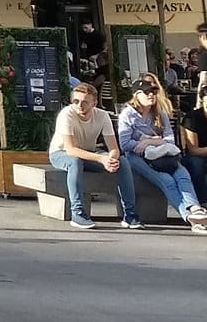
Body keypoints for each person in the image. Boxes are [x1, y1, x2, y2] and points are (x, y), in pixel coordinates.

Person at [117, 76, 207, 230]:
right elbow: (125, 145)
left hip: (163, 154)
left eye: (154, 91)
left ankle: (195, 209)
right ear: (136, 95)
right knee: (166, 180)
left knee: (182, 174)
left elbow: (170, 140)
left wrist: (149, 141)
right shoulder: (127, 115)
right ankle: (191, 218)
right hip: (137, 157)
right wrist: (149, 142)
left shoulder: (159, 113)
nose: (151, 95)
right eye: (147, 92)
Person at [50, 78, 140, 230]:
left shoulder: (102, 116)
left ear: (94, 103)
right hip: (61, 153)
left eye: (85, 102)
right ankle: (78, 213)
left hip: (89, 153)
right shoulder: (66, 114)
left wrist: (111, 159)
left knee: (123, 162)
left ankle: (130, 214)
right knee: (74, 161)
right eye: (76, 101)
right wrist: (101, 159)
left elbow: (114, 148)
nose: (79, 105)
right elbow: (70, 149)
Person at [179, 88, 207, 200]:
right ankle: (201, 200)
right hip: (196, 156)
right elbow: (193, 150)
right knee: (197, 163)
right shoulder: (192, 118)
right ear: (202, 102)